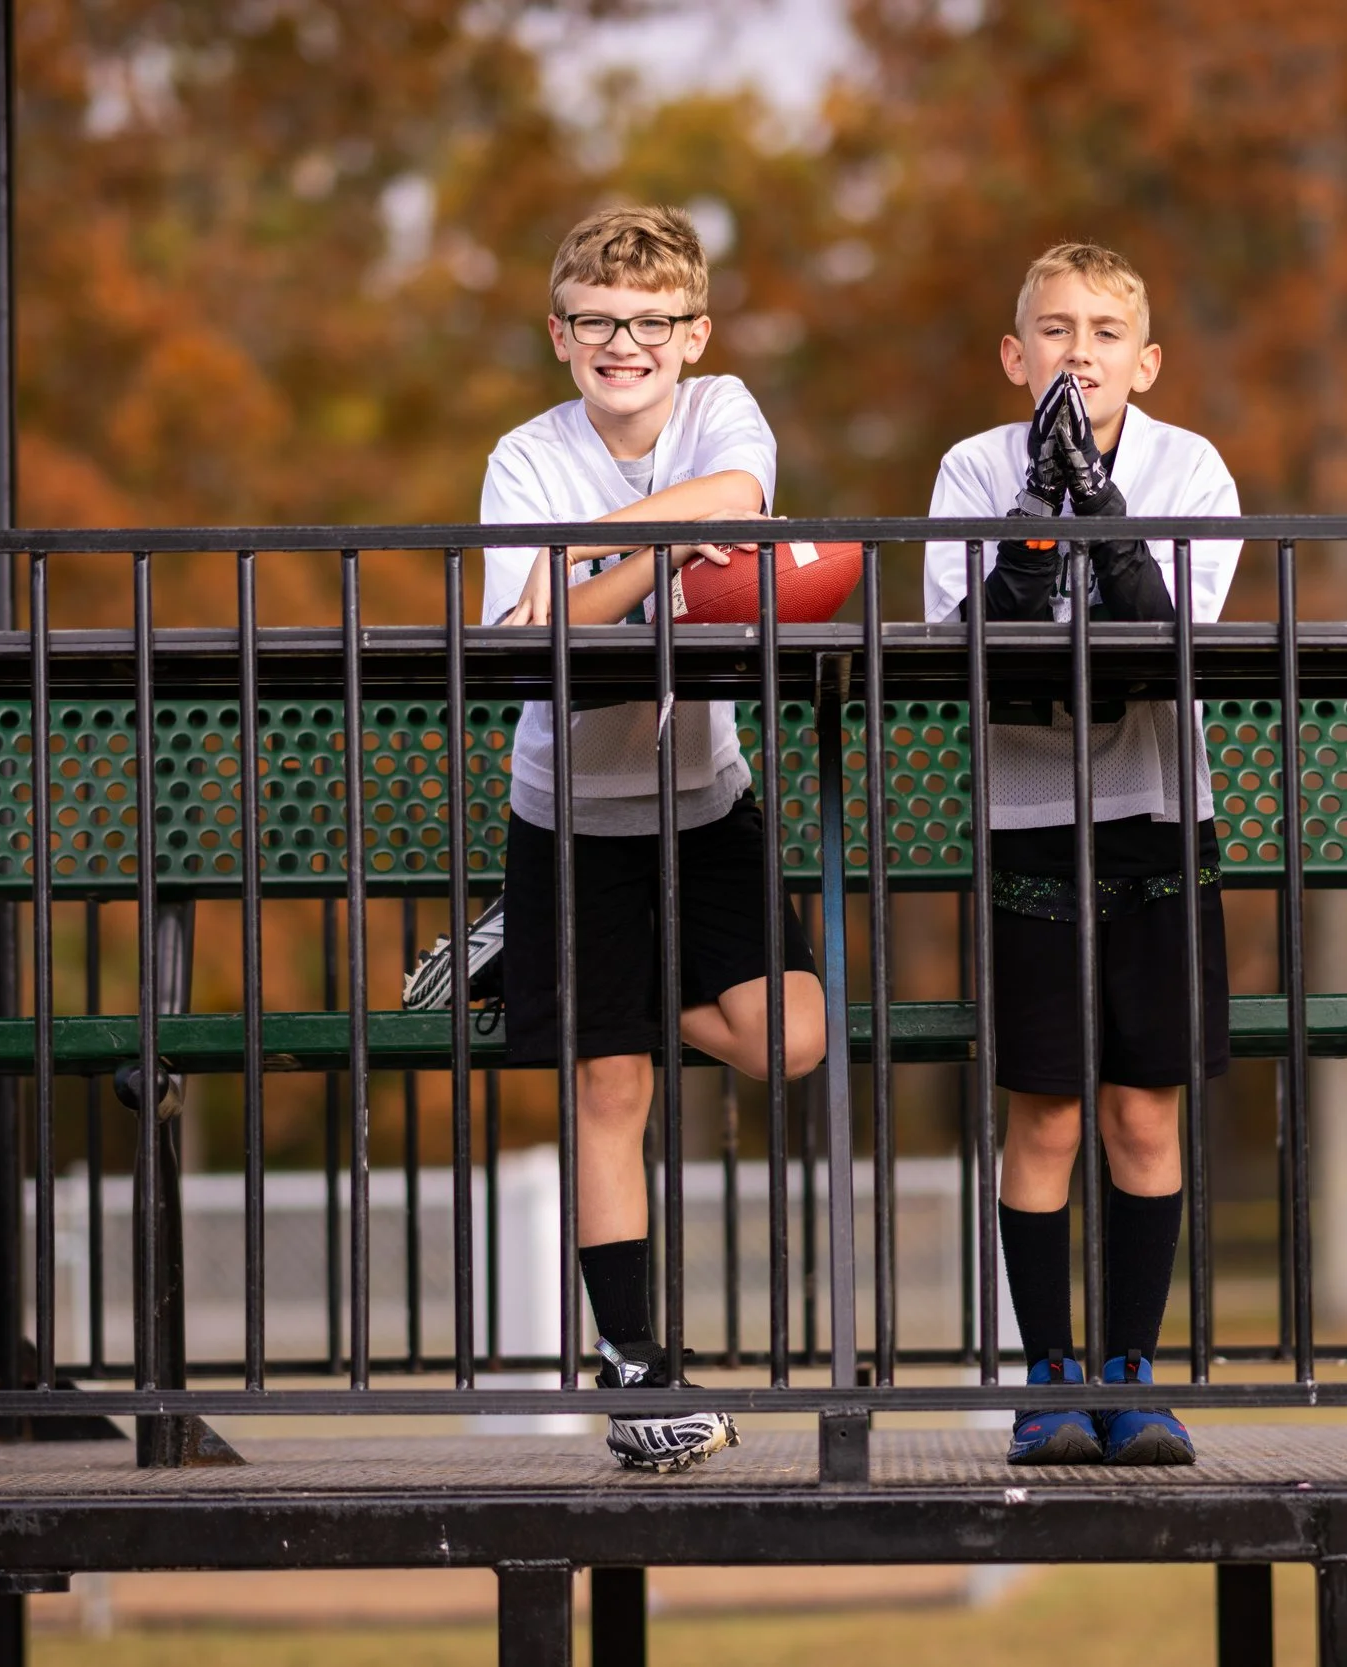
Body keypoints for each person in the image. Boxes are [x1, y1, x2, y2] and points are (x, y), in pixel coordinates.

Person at [482, 204, 826, 1472]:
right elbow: (532, 644)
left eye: (649, 322)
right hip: (567, 814)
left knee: (789, 1038)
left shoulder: (723, 411)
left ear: (692, 334)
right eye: (595, 322)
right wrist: (641, 555)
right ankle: (637, 1372)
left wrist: (593, 564)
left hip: (705, 805)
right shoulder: (523, 458)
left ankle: (533, 969)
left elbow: (739, 494)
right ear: (559, 333)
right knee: (609, 1083)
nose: (622, 342)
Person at [923, 242, 1241, 1466]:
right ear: (1017, 356)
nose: (1079, 352)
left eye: (1105, 332)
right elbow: (968, 656)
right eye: (1053, 331)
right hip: (1027, 813)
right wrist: (1031, 538)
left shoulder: (1190, 467)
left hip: (1157, 809)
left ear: (1145, 360)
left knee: (1141, 1110)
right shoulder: (972, 467)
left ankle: (1133, 1370)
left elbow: (1173, 650)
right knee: (1046, 1112)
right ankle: (1047, 1370)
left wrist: (1109, 527)